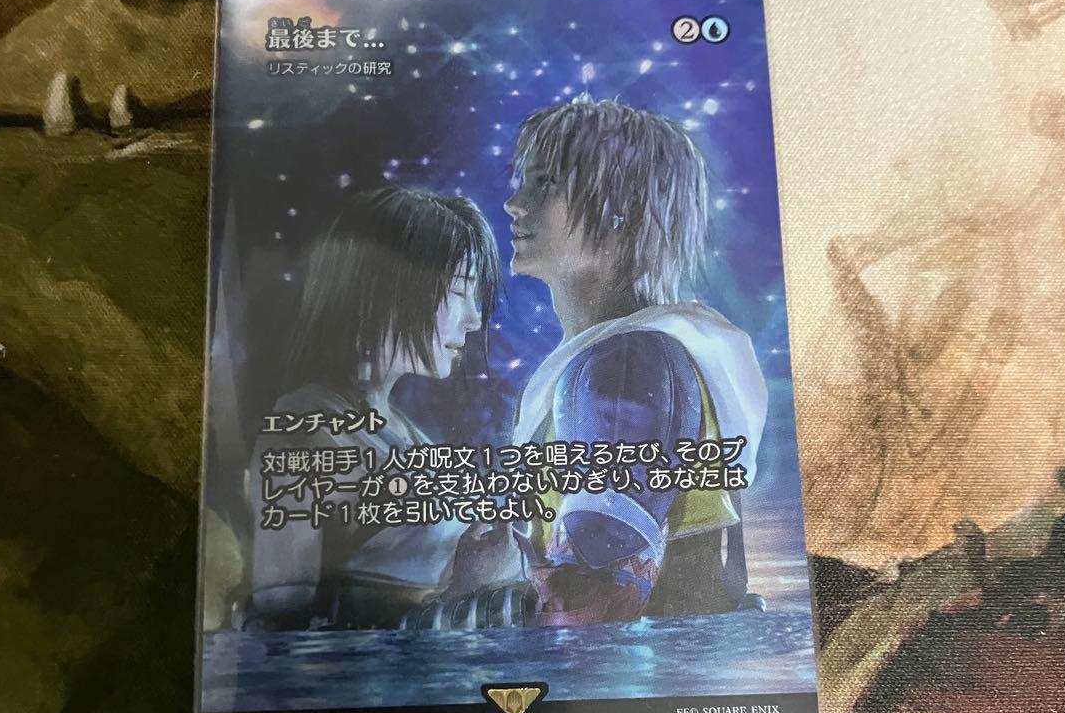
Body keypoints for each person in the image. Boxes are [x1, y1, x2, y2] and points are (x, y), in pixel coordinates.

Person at [504, 96, 768, 625]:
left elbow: (595, 595)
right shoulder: (633, 352)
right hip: (660, 652)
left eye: (546, 184)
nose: (515, 204)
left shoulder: (623, 364)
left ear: (617, 208)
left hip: (629, 660)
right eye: (523, 183)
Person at [243, 185, 514, 630]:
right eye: (458, 291)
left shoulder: (402, 429)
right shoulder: (304, 426)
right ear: (385, 290)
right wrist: (462, 588)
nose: (474, 319)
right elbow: (280, 622)